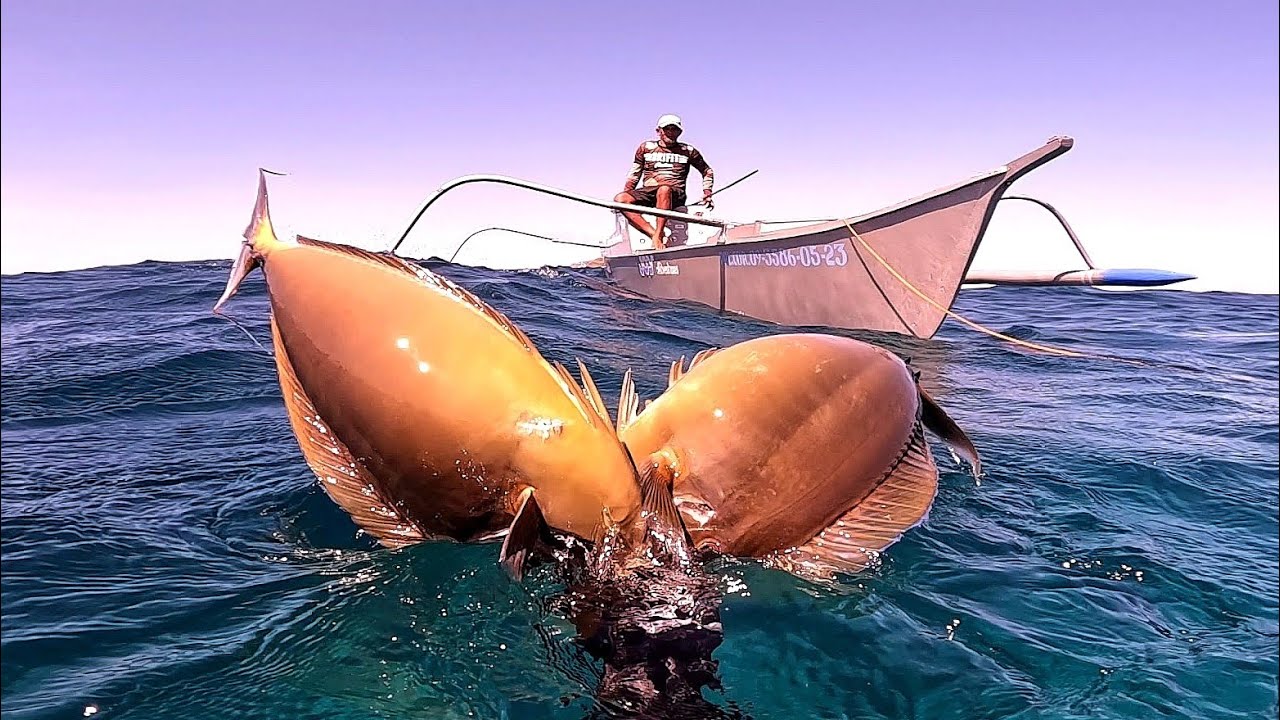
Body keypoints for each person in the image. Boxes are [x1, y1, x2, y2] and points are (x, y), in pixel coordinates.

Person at [614, 114, 715, 250]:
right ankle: (654, 234)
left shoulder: (688, 151)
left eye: (675, 129)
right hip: (649, 193)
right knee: (620, 199)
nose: (671, 133)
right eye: (667, 129)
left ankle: (659, 233)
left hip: (674, 194)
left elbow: (707, 171)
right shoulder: (646, 148)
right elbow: (634, 174)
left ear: (680, 132)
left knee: (664, 189)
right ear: (659, 131)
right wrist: (626, 197)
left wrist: (707, 193)